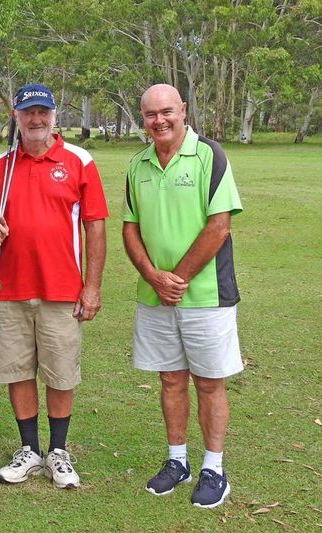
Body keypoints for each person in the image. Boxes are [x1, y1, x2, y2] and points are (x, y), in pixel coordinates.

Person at [0, 83, 108, 489]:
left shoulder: (78, 161)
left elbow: (95, 225)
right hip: (11, 290)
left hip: (62, 290)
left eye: (42, 112)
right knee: (17, 370)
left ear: (54, 116)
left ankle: (59, 452)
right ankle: (30, 450)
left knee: (60, 372)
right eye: (28, 112)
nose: (36, 120)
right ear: (16, 116)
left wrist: (92, 286)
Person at [122, 83, 243, 509]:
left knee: (209, 382)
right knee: (171, 379)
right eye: (151, 114)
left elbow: (220, 226)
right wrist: (154, 277)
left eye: (167, 111)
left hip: (206, 295)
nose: (160, 120)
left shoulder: (210, 155)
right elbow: (130, 227)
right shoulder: (137, 163)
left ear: (184, 110)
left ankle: (214, 468)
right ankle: (178, 461)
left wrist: (177, 278)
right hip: (156, 295)